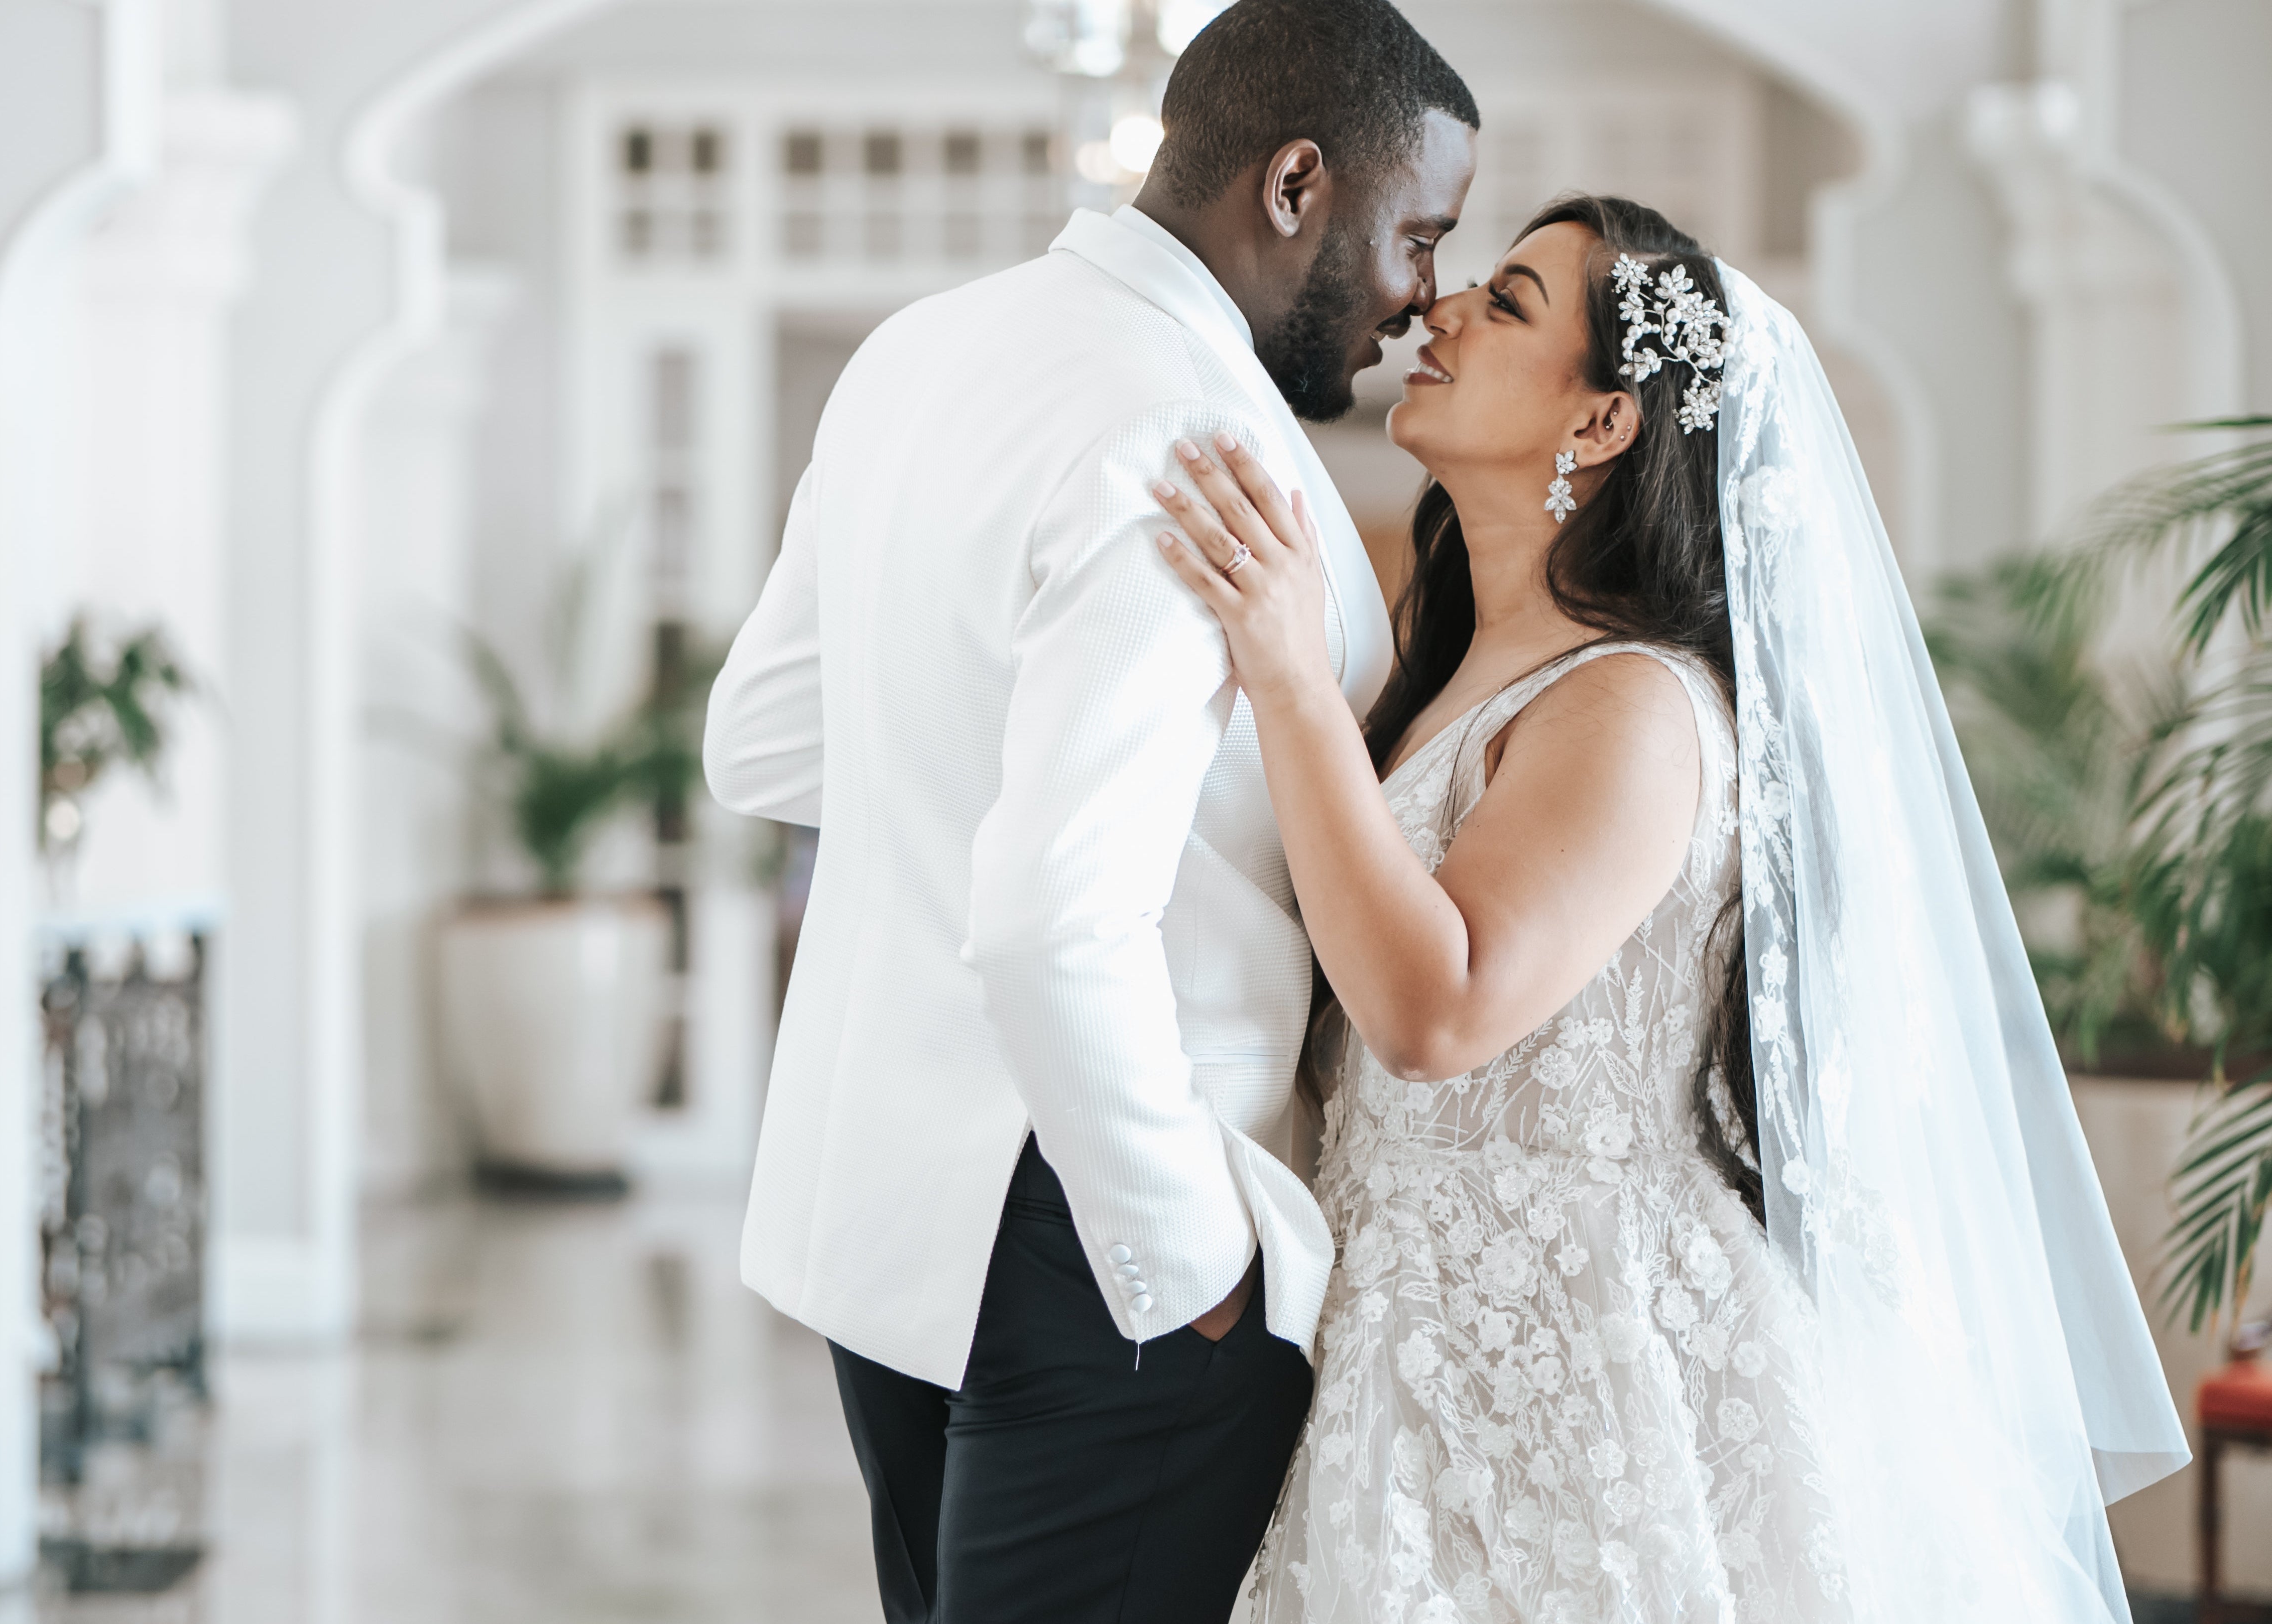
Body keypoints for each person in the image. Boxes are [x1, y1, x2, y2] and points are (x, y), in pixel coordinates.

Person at [1149, 195, 2189, 1623]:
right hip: (1406, 1356)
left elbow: (1437, 1010)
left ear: (1602, 425)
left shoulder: (1635, 703)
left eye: (1508, 304)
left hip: (1590, 1383)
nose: (1440, 311)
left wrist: (1281, 679)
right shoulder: (1435, 676)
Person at [700, 2, 1474, 1618]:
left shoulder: (921, 346)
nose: (1422, 299)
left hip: (892, 1206)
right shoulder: (1187, 436)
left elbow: (762, 742)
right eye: (1418, 235)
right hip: (1106, 1220)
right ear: (1295, 188)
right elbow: (1052, 917)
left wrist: (983, 780)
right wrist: (1188, 1268)